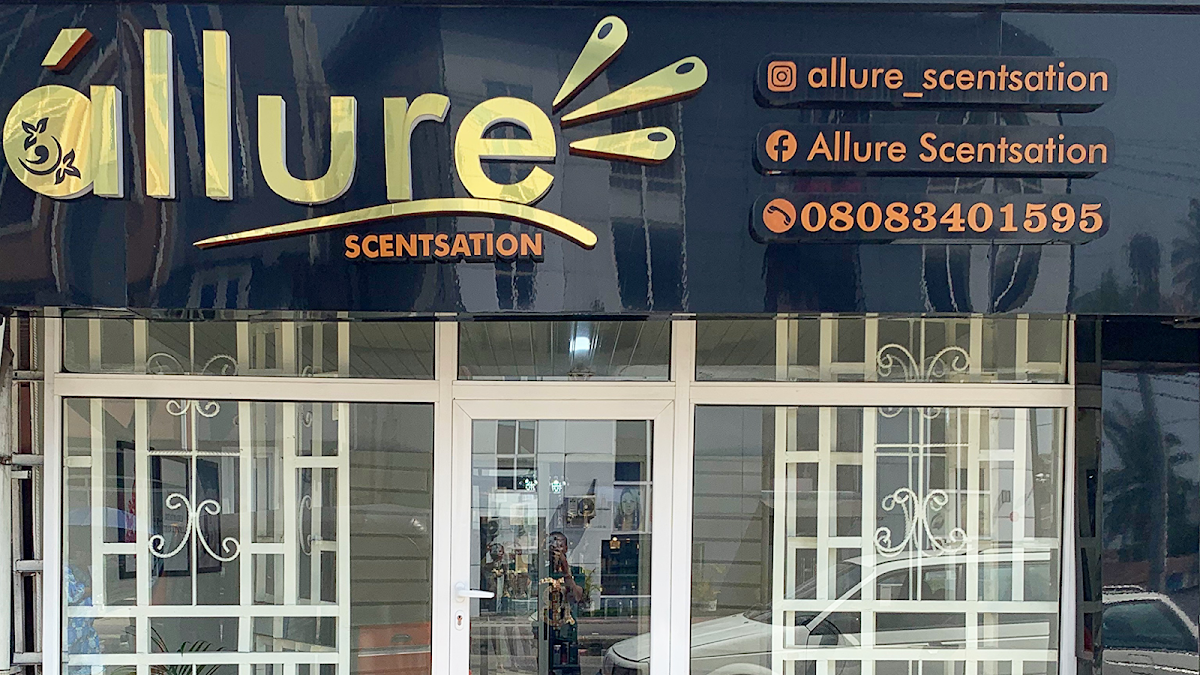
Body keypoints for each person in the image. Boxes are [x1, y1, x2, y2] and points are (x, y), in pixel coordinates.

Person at [540, 531, 584, 675]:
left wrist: (566, 570)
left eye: (559, 545)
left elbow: (577, 596)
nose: (555, 549)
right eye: (552, 546)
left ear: (566, 548)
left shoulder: (575, 572)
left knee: (569, 668)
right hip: (546, 629)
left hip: (568, 629)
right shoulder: (542, 571)